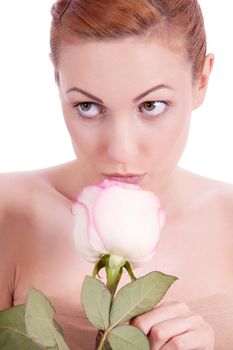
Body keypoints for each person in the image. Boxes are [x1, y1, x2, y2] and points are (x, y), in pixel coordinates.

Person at [0, 0, 232, 349]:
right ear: (58, 81)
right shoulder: (10, 216)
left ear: (201, 80)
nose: (121, 149)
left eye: (151, 105)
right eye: (88, 106)